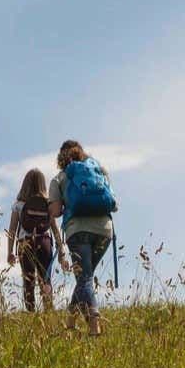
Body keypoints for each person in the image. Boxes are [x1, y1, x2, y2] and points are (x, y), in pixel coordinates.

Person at [49, 140, 117, 336]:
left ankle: (94, 324)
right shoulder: (99, 171)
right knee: (84, 278)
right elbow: (113, 204)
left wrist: (59, 205)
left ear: (61, 158)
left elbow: (55, 211)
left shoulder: (59, 178)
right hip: (104, 230)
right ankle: (70, 322)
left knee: (84, 277)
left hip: (78, 231)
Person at [6, 168, 66, 312]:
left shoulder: (18, 205)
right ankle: (49, 311)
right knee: (45, 280)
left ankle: (31, 313)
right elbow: (55, 229)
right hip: (44, 242)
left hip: (24, 244)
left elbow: (12, 229)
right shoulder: (47, 204)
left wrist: (9, 252)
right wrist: (61, 250)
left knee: (29, 281)